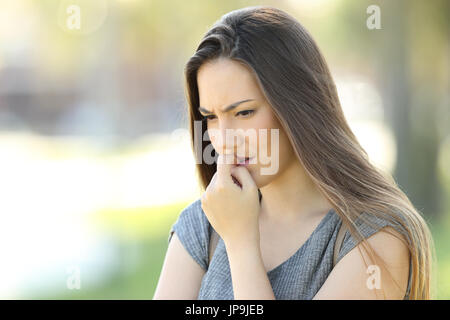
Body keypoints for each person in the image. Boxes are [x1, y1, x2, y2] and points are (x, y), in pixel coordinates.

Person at [153, 6, 435, 300]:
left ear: (297, 107)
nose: (223, 140)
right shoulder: (202, 226)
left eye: (245, 112)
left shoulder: (375, 238)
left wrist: (241, 245)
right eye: (210, 117)